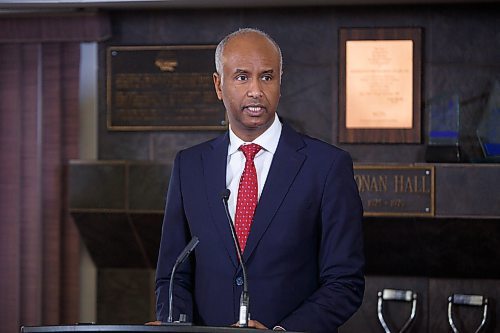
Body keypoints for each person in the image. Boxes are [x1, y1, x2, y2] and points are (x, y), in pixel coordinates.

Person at [153, 28, 365, 333]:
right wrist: (177, 327)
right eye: (242, 77)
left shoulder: (327, 166)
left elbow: (345, 282)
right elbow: (172, 275)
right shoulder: (189, 165)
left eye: (267, 77)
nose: (256, 90)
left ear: (280, 83)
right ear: (218, 85)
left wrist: (282, 332)